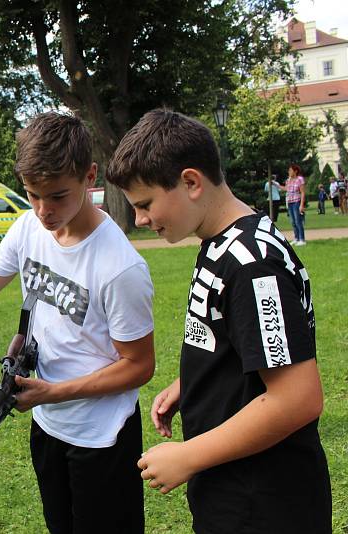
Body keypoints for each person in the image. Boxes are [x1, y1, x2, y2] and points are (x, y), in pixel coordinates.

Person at [0, 112, 156, 533]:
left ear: (90, 176)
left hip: (101, 437)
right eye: (32, 195)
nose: (44, 211)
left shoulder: (121, 267)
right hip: (48, 426)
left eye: (58, 196)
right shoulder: (28, 228)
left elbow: (139, 365)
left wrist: (54, 392)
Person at [106, 109, 331, 534]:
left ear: (191, 182)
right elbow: (239, 342)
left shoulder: (252, 265)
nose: (140, 220)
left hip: (264, 502)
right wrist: (194, 385)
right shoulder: (218, 242)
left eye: (146, 204)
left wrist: (188, 455)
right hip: (231, 485)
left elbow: (297, 398)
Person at [281, 164, 306, 245]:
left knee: (298, 220)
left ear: (295, 171)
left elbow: (302, 192)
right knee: (293, 221)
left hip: (296, 201)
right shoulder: (289, 180)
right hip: (290, 202)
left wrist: (301, 205)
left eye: (290, 170)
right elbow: (286, 189)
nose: (289, 172)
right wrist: (276, 185)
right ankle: (296, 238)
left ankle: (302, 239)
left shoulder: (300, 179)